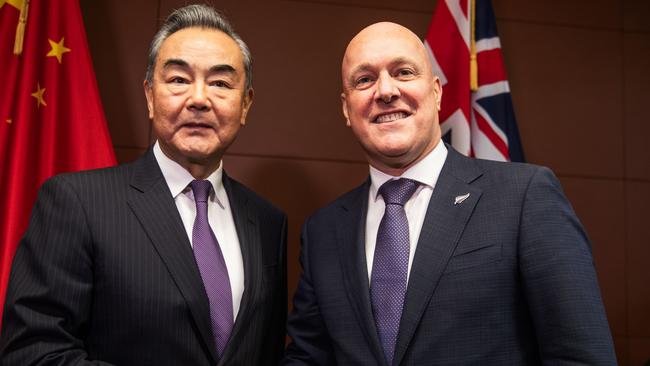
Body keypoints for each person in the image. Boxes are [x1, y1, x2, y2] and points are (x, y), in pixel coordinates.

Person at [282, 22, 617, 365]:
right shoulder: (322, 231)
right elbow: (308, 356)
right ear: (345, 108)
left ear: (436, 92)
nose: (385, 91)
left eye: (403, 72)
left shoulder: (524, 196)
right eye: (364, 79)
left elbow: (581, 356)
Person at [0, 4, 287, 365]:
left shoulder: (267, 222)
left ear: (245, 104)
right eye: (179, 80)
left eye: (220, 83)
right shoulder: (76, 202)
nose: (199, 99)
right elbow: (32, 353)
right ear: (150, 96)